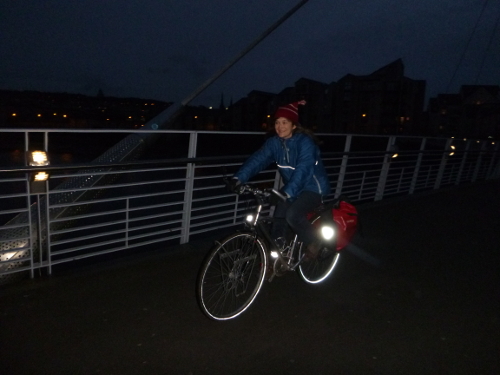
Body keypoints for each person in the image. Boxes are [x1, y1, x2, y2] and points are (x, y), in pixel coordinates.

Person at [230, 100, 331, 259]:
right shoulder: (274, 143)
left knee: (292, 215)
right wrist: (238, 178)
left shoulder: (305, 143)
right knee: (279, 216)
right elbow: (259, 160)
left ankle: (315, 241)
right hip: (291, 188)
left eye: (285, 122)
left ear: (294, 125)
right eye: (277, 122)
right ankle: (277, 253)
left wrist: (286, 192)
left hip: (313, 188)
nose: (279, 126)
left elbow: (304, 169)